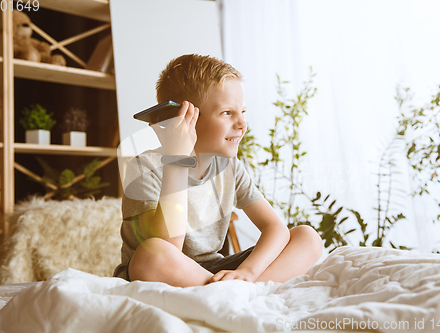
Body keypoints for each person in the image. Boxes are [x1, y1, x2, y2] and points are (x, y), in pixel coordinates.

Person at [114, 54, 323, 287]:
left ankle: (240, 289)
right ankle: (235, 292)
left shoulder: (230, 168)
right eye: (227, 113)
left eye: (242, 112)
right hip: (163, 269)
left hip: (210, 273)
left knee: (308, 237)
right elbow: (168, 245)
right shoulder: (145, 167)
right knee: (152, 254)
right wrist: (177, 159)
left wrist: (248, 272)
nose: (242, 124)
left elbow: (276, 228)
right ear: (182, 118)